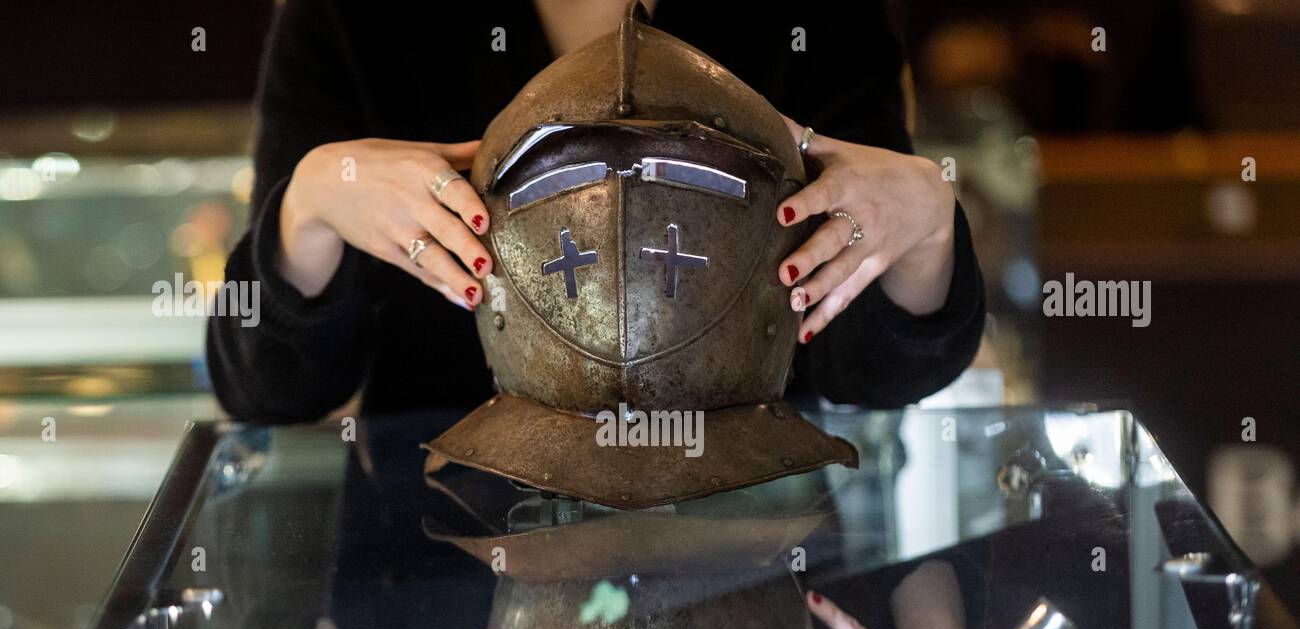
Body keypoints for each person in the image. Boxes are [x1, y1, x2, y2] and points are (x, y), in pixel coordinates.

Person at [209, 0, 985, 422]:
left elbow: (869, 371)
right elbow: (265, 389)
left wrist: (926, 232)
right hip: (438, 575)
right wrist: (305, 207)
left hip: (749, 546)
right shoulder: (349, 18)